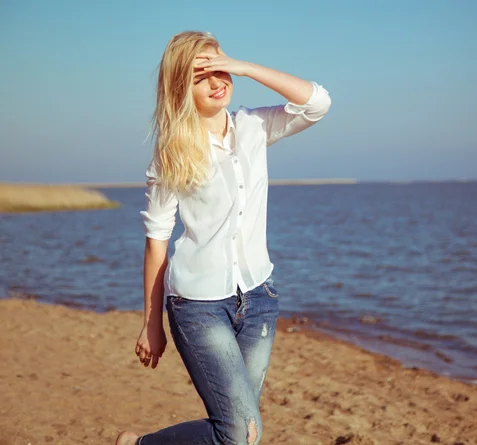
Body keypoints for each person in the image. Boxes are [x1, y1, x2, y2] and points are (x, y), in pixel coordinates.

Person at [115, 31, 331, 445]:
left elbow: (317, 103)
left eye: (220, 70)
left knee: (237, 431)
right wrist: (151, 324)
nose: (217, 81)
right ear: (180, 86)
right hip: (198, 305)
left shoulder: (255, 126)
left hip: (259, 298)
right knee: (240, 434)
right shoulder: (172, 151)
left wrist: (244, 66)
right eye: (202, 76)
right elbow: (156, 239)